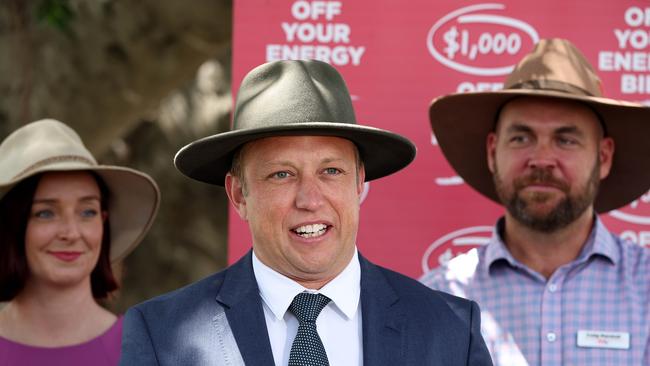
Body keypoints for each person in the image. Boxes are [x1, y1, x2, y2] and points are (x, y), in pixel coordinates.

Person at [120, 59, 493, 365]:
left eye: (331, 171)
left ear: (359, 182)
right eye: (282, 174)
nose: (310, 199)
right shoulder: (160, 335)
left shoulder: (449, 330)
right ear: (238, 195)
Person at [421, 38, 650, 365]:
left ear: (603, 156)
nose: (542, 159)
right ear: (492, 152)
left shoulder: (646, 289)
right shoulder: (440, 296)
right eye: (521, 138)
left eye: (566, 140)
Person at [0, 119, 160, 365]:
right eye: (46, 213)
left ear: (104, 224)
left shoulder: (147, 350)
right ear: (12, 226)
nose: (71, 232)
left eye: (87, 212)